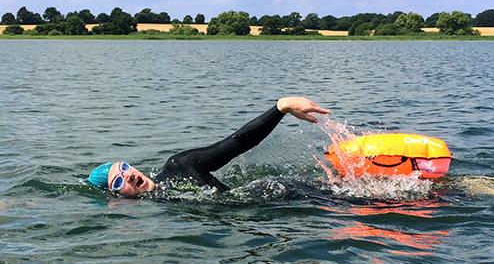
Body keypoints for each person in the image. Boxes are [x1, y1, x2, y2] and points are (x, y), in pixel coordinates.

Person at [87, 97, 329, 198]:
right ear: (115, 198)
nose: (128, 175)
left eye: (125, 167)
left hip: (297, 193)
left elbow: (236, 143)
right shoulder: (161, 209)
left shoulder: (179, 166)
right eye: (118, 182)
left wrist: (281, 107)